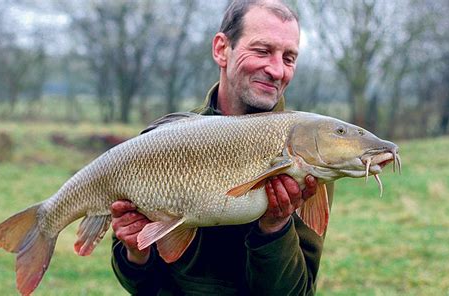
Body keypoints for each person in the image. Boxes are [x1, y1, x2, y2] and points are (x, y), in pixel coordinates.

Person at [110, 0, 334, 295]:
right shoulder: (163, 142)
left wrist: (274, 228)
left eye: (289, 58)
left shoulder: (307, 156)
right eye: (262, 51)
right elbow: (144, 288)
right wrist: (135, 254)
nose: (277, 70)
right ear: (221, 49)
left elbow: (298, 292)